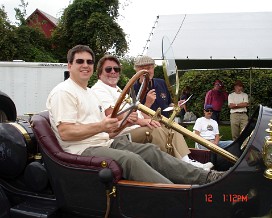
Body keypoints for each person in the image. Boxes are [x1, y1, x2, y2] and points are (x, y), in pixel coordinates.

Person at [46, 44, 225, 185]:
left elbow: (107, 132)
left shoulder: (89, 93)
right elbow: (66, 132)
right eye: (80, 61)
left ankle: (206, 178)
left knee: (150, 151)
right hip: (81, 150)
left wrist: (121, 124)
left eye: (89, 62)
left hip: (106, 141)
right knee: (131, 159)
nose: (85, 65)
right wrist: (103, 126)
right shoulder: (64, 92)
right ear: (70, 65)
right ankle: (177, 194)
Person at [90, 54, 213, 170]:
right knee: (156, 129)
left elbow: (136, 112)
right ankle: (179, 168)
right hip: (121, 134)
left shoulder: (117, 89)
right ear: (99, 73)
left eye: (116, 69)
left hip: (136, 126)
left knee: (172, 128)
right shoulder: (104, 89)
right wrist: (144, 118)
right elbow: (114, 113)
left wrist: (169, 109)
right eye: (108, 69)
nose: (113, 72)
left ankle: (187, 162)